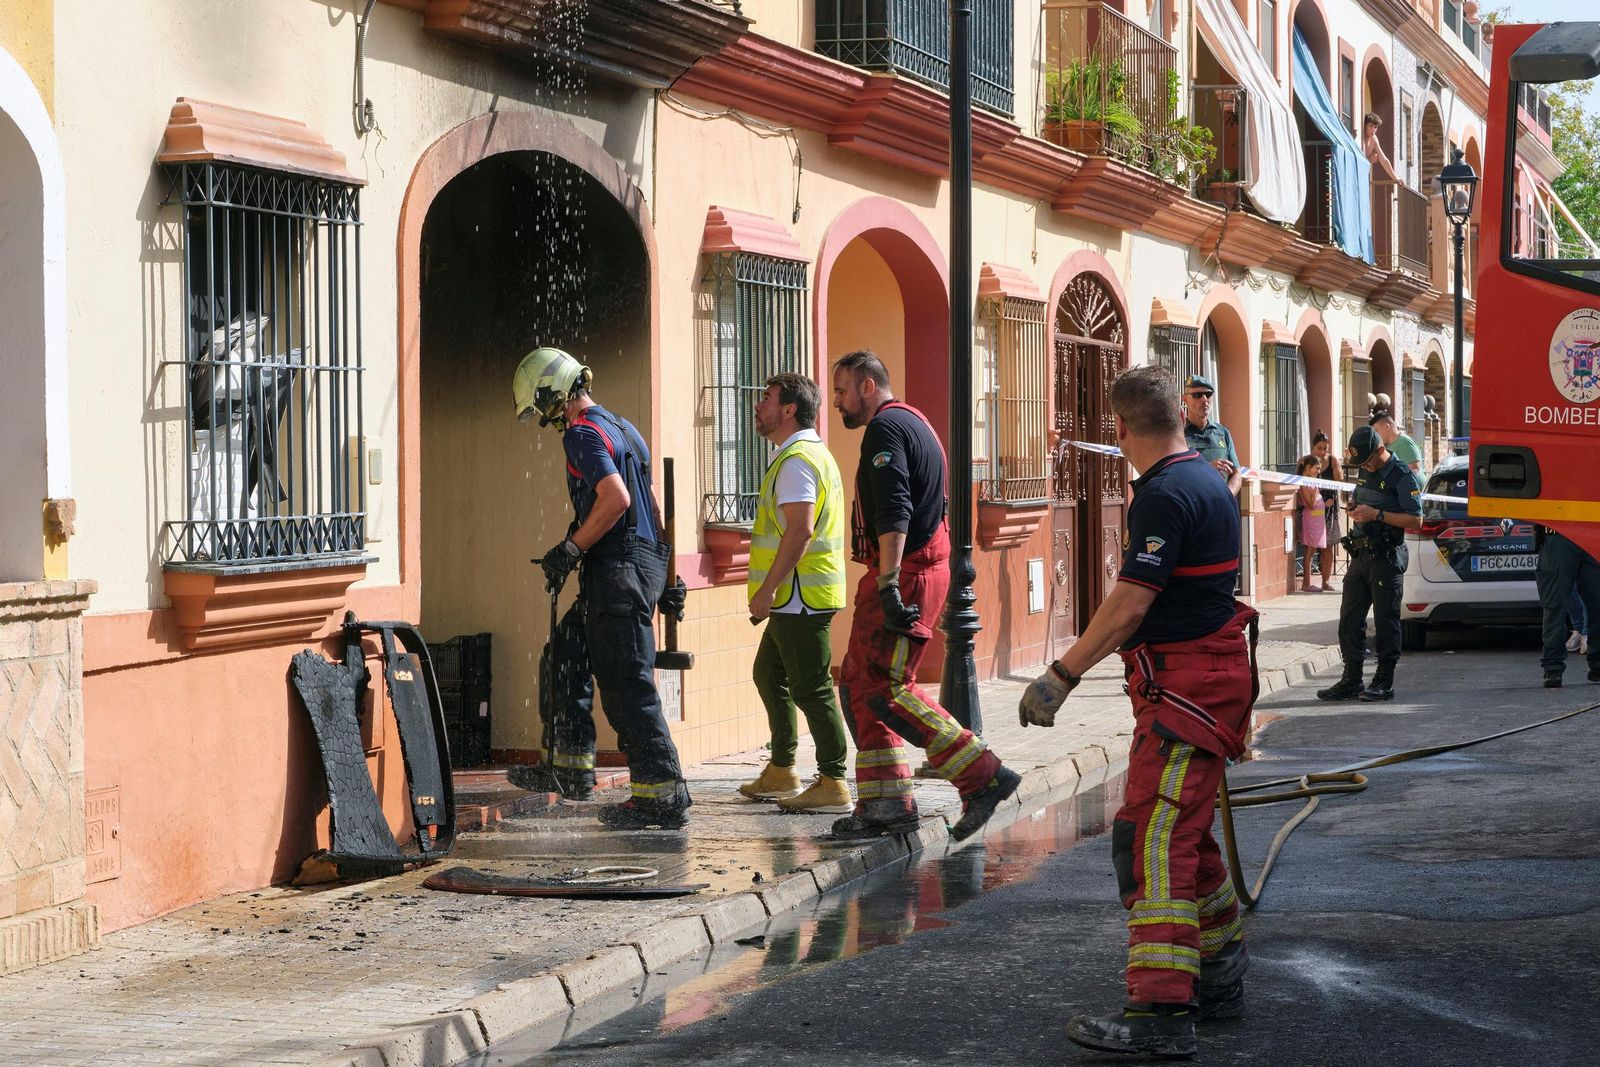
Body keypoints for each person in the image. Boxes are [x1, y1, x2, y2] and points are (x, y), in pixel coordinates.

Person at [1018, 365, 1257, 1059]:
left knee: (1150, 842)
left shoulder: (1163, 495)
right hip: (1202, 686)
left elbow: (1130, 602)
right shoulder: (1208, 478)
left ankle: (1160, 1008)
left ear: (1120, 429)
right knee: (1185, 835)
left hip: (1186, 692)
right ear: (1180, 417)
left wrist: (1062, 673)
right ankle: (1219, 972)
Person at [829, 350, 1019, 842]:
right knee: (859, 683)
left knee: (884, 688)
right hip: (919, 566)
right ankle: (887, 803)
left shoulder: (885, 431)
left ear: (868, 387)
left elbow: (895, 510)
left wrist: (889, 584)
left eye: (842, 391)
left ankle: (983, 775)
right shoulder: (917, 423)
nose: (837, 403)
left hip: (905, 571)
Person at [512, 347, 692, 829]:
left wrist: (570, 549)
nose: (545, 419)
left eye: (542, 407)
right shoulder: (621, 426)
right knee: (566, 654)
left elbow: (617, 498)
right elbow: (652, 506)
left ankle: (662, 796)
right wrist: (667, 575)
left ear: (553, 393)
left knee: (627, 685)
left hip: (617, 572)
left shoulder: (580, 435)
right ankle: (569, 769)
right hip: (637, 566)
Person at [740, 372, 854, 813]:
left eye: (766, 399)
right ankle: (782, 769)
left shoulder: (796, 461)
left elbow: (801, 529)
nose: (758, 406)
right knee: (769, 673)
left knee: (812, 688)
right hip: (798, 595)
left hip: (799, 595)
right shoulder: (802, 455)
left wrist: (767, 590)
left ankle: (833, 780)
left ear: (789, 410)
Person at [1316, 425, 1422, 703]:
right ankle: (1352, 679)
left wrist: (1377, 514)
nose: (1365, 467)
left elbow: (1416, 520)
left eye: (1367, 461)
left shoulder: (1401, 475)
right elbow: (1360, 497)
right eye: (1360, 463)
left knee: (1386, 622)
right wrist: (1355, 508)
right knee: (1350, 619)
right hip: (1361, 555)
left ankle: (1384, 680)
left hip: (1386, 556)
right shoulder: (1365, 468)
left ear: (1380, 450)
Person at [1534, 525, 1600, 688]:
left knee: (1557, 607)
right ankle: (1553, 667)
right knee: (1555, 606)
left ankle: (1554, 668)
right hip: (1564, 532)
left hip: (1585, 532)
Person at [1181, 374, 1243, 495]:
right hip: (1191, 505)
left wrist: (1227, 496)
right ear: (1185, 399)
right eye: (1197, 395)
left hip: (1219, 506)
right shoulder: (1178, 433)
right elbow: (1174, 472)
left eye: (1208, 394)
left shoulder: (1222, 432)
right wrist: (1206, 468)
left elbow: (1237, 473)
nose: (1204, 400)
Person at [1311, 431, 1342, 593]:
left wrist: (1335, 464)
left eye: (1325, 448)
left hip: (1329, 508)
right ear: (1312, 447)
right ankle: (1307, 581)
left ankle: (1326, 581)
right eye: (1319, 448)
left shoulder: (1332, 460)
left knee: (1327, 546)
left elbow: (1339, 479)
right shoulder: (1308, 461)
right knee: (1311, 545)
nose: (1322, 452)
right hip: (1313, 508)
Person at [1296, 454, 1327, 592]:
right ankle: (1306, 584)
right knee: (1309, 552)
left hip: (1318, 521)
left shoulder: (1311, 481)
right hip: (1311, 521)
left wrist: (1326, 503)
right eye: (1317, 468)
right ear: (1308, 467)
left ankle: (1307, 583)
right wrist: (1315, 489)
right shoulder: (1305, 483)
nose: (1318, 472)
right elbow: (1311, 504)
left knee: (1312, 551)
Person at [1369, 409, 1423, 477]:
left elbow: (1415, 469)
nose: (1375, 436)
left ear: (1387, 427)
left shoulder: (1405, 442)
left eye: (1376, 431)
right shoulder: (1385, 446)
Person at [1363, 111, 1401, 184]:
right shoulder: (1360, 136)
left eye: (1375, 127)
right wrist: (1368, 161)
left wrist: (1395, 178)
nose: (1373, 130)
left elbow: (1383, 159)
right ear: (1365, 125)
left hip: (1364, 175)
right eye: (1370, 126)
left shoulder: (1374, 139)